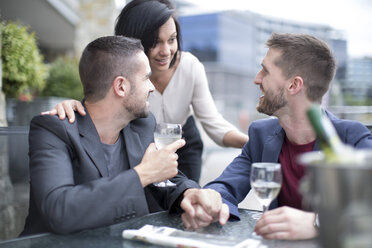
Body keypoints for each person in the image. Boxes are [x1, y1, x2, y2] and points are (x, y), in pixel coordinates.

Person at [21, 35, 228, 235]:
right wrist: (142, 175)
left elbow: (165, 177)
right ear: (121, 86)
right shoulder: (52, 130)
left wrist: (190, 193)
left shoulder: (143, 124)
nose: (152, 87)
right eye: (146, 78)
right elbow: (59, 211)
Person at [181, 33, 372, 239]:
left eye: (265, 70)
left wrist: (317, 222)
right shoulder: (260, 135)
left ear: (293, 85)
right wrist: (210, 199)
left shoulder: (353, 139)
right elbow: (227, 185)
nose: (256, 79)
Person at [44, 0, 248, 183]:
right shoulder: (122, 70)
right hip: (140, 146)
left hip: (182, 142)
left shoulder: (190, 67)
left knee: (184, 196)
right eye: (155, 42)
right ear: (135, 40)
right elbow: (99, 103)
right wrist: (73, 106)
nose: (166, 51)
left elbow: (214, 123)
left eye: (172, 39)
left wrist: (253, 143)